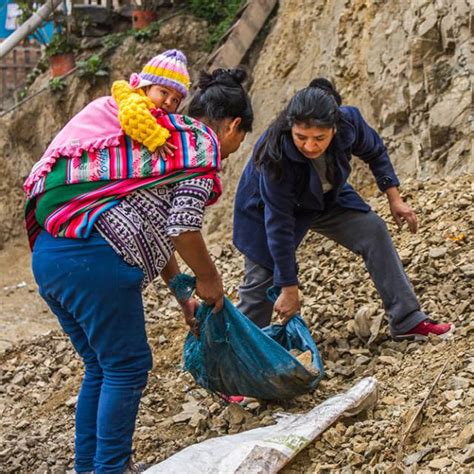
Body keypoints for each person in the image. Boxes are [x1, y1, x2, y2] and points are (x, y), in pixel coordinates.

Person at [27, 68, 253, 474]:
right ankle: (111, 468)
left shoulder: (157, 151)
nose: (236, 148)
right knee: (127, 366)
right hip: (95, 258)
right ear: (234, 126)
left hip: (50, 253)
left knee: (102, 365)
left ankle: (91, 468)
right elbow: (183, 228)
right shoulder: (199, 151)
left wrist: (182, 292)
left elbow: (160, 228)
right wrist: (209, 279)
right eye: (240, 139)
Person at [233, 78, 453, 341]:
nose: (310, 146)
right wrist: (289, 287)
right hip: (264, 210)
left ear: (334, 130)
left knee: (373, 230)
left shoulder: (349, 122)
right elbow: (278, 224)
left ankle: (407, 320)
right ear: (290, 126)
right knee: (262, 282)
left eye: (319, 138)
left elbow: (375, 151)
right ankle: (241, 353)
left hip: (326, 196)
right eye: (301, 137)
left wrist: (394, 197)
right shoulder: (274, 156)